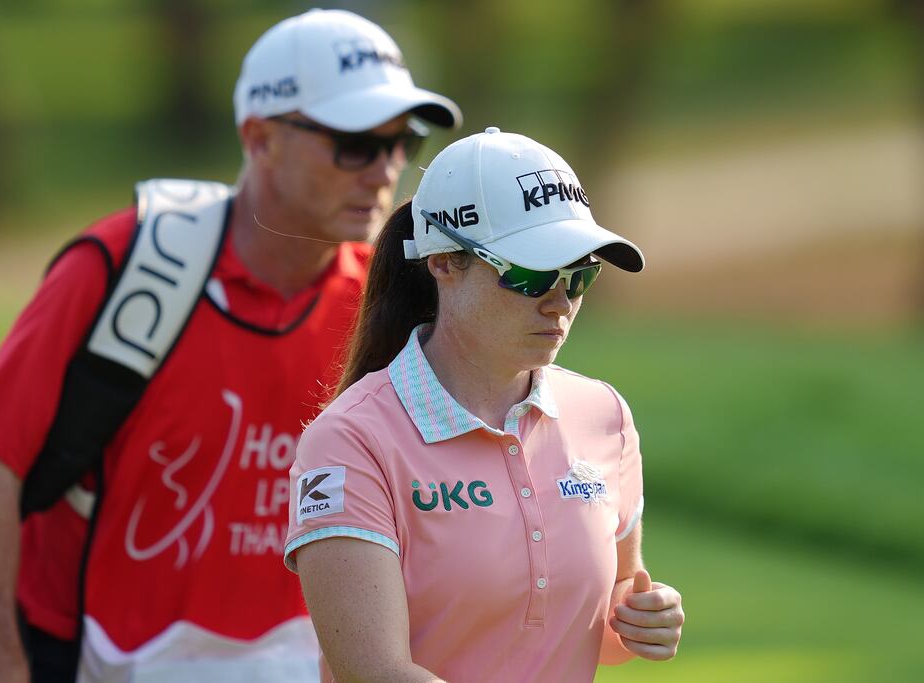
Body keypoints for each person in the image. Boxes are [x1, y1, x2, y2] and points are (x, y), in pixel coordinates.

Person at [0, 9, 461, 683]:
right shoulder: (124, 270)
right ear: (259, 137)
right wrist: (8, 670)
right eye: (355, 143)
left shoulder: (387, 303)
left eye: (401, 142)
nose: (384, 170)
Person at [285, 127, 684, 682]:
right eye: (531, 275)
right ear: (445, 262)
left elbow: (610, 606)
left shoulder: (604, 415)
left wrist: (641, 618)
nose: (560, 303)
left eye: (579, 276)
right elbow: (373, 671)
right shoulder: (349, 441)